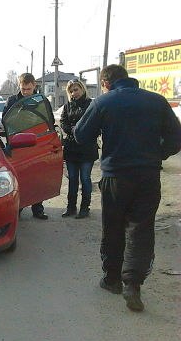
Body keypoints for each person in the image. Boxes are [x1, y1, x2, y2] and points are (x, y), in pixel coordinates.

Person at [74, 64, 181, 312]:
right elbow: (177, 138)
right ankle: (133, 283)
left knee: (113, 226)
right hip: (148, 175)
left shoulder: (104, 102)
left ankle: (112, 279)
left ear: (106, 83)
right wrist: (158, 155)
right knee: (141, 228)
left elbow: (80, 134)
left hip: (116, 176)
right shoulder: (157, 101)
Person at [3, 72, 53, 220]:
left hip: (38, 144)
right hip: (18, 145)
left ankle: (38, 208)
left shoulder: (42, 101)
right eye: (23, 89)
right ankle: (19, 207)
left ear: (34, 86)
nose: (25, 92)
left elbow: (49, 121)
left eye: (28, 89)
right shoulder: (12, 101)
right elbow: (6, 121)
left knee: (38, 177)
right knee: (21, 178)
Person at [59, 79, 98, 219]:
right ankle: (71, 207)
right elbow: (63, 122)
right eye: (71, 91)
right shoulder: (67, 106)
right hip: (71, 148)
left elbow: (95, 124)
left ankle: (84, 207)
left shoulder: (91, 104)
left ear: (82, 89)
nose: (74, 93)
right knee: (72, 179)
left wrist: (81, 132)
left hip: (87, 148)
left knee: (85, 178)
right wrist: (73, 131)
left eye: (76, 89)